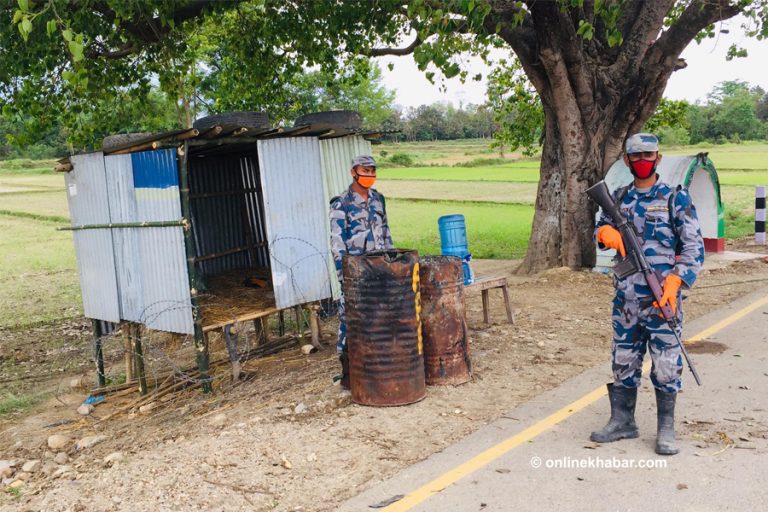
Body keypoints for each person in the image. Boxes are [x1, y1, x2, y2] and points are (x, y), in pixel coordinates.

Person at [590, 133, 704, 455]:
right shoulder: (618, 197)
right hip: (626, 300)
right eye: (636, 156)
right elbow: (599, 228)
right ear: (626, 161)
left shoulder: (674, 198)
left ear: (659, 158)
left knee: (667, 363)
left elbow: (694, 248)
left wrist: (675, 282)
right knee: (624, 360)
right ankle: (623, 421)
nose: (642, 161)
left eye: (648, 155)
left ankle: (666, 428)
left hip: (661, 300)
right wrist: (605, 232)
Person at [329, 155, 394, 388]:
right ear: (353, 172)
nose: (369, 174)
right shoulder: (342, 203)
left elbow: (386, 234)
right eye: (364, 170)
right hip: (355, 274)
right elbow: (337, 245)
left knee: (380, 318)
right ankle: (348, 371)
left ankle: (378, 366)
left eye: (372, 170)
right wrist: (344, 278)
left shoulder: (379, 200)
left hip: (380, 271)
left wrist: (392, 264)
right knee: (350, 320)